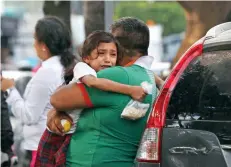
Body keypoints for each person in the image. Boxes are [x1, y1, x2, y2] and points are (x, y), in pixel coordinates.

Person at [47, 17, 159, 167]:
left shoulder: (117, 75)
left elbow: (57, 99)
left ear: (119, 47)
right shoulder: (148, 77)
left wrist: (55, 111)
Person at [1, 16, 76, 167]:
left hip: (40, 147)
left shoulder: (47, 73)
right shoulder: (63, 67)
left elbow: (29, 116)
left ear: (43, 45)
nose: (34, 45)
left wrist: (9, 88)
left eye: (35, 39)